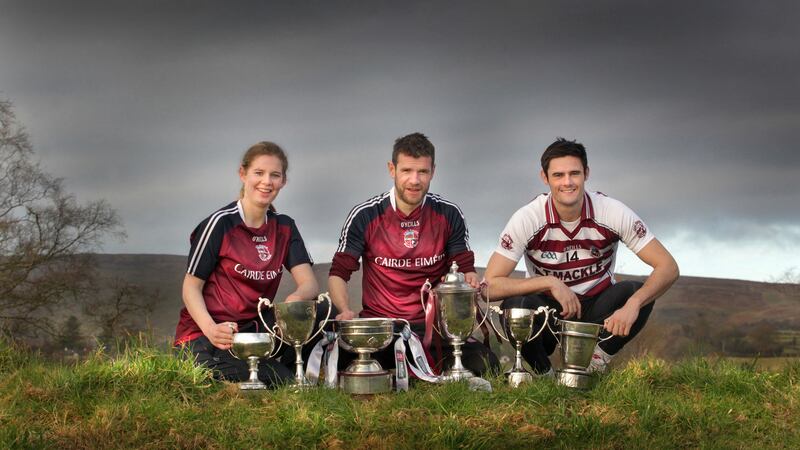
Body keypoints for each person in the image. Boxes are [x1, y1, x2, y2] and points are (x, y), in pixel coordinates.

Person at [484, 137, 679, 375]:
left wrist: (634, 305)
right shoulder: (528, 218)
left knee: (635, 291)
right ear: (544, 178)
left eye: (574, 173)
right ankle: (544, 374)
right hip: (549, 311)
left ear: (586, 173)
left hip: (596, 308)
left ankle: (593, 365)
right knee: (516, 306)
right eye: (558, 175)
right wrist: (549, 282)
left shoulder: (612, 211)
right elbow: (489, 286)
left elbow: (668, 267)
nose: (567, 182)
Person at [328, 132, 498, 375]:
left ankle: (426, 364)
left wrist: (470, 280)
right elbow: (338, 273)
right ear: (392, 169)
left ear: (433, 171)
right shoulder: (365, 215)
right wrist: (344, 309)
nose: (415, 180)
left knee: (486, 365)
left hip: (435, 331)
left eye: (423, 172)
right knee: (352, 365)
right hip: (384, 329)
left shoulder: (448, 214)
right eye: (407, 170)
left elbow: (464, 267)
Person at [174, 141, 320, 387]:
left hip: (254, 333)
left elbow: (309, 284)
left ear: (283, 181)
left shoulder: (284, 226)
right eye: (259, 173)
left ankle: (289, 370)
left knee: (323, 313)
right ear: (243, 174)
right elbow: (190, 288)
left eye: (275, 175)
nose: (267, 182)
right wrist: (211, 329)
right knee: (277, 381)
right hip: (209, 336)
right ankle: (270, 373)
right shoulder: (219, 224)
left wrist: (294, 302)